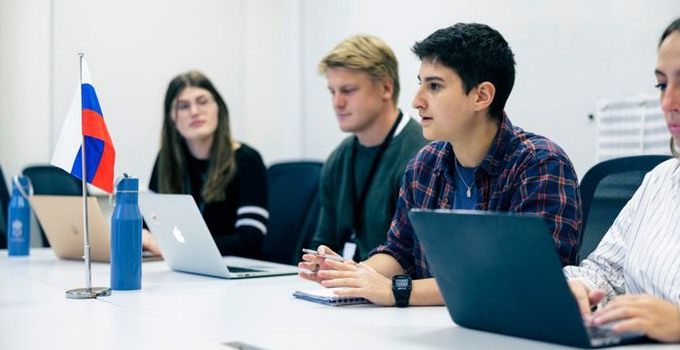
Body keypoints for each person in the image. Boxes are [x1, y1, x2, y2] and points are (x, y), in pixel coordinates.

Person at [299, 23, 582, 306]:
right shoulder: (424, 164)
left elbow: (525, 279)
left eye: (434, 86)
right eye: (420, 83)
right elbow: (399, 252)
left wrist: (397, 291)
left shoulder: (540, 165)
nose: (417, 101)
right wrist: (353, 274)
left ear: (481, 96)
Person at [564, 18, 680, 343]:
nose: (667, 102)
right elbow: (603, 272)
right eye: (661, 85)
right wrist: (580, 289)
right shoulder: (660, 180)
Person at [308, 35, 428, 260]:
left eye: (348, 90)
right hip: (347, 288)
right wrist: (317, 261)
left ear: (385, 88)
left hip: (393, 290)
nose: (337, 103)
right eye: (332, 91)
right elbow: (324, 240)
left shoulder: (422, 156)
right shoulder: (338, 158)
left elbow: (419, 260)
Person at [143, 70, 268, 258]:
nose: (194, 112)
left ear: (218, 107)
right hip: (183, 269)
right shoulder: (166, 159)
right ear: (172, 117)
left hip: (236, 272)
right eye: (183, 106)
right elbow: (147, 227)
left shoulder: (247, 160)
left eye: (202, 102)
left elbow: (249, 239)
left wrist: (178, 249)